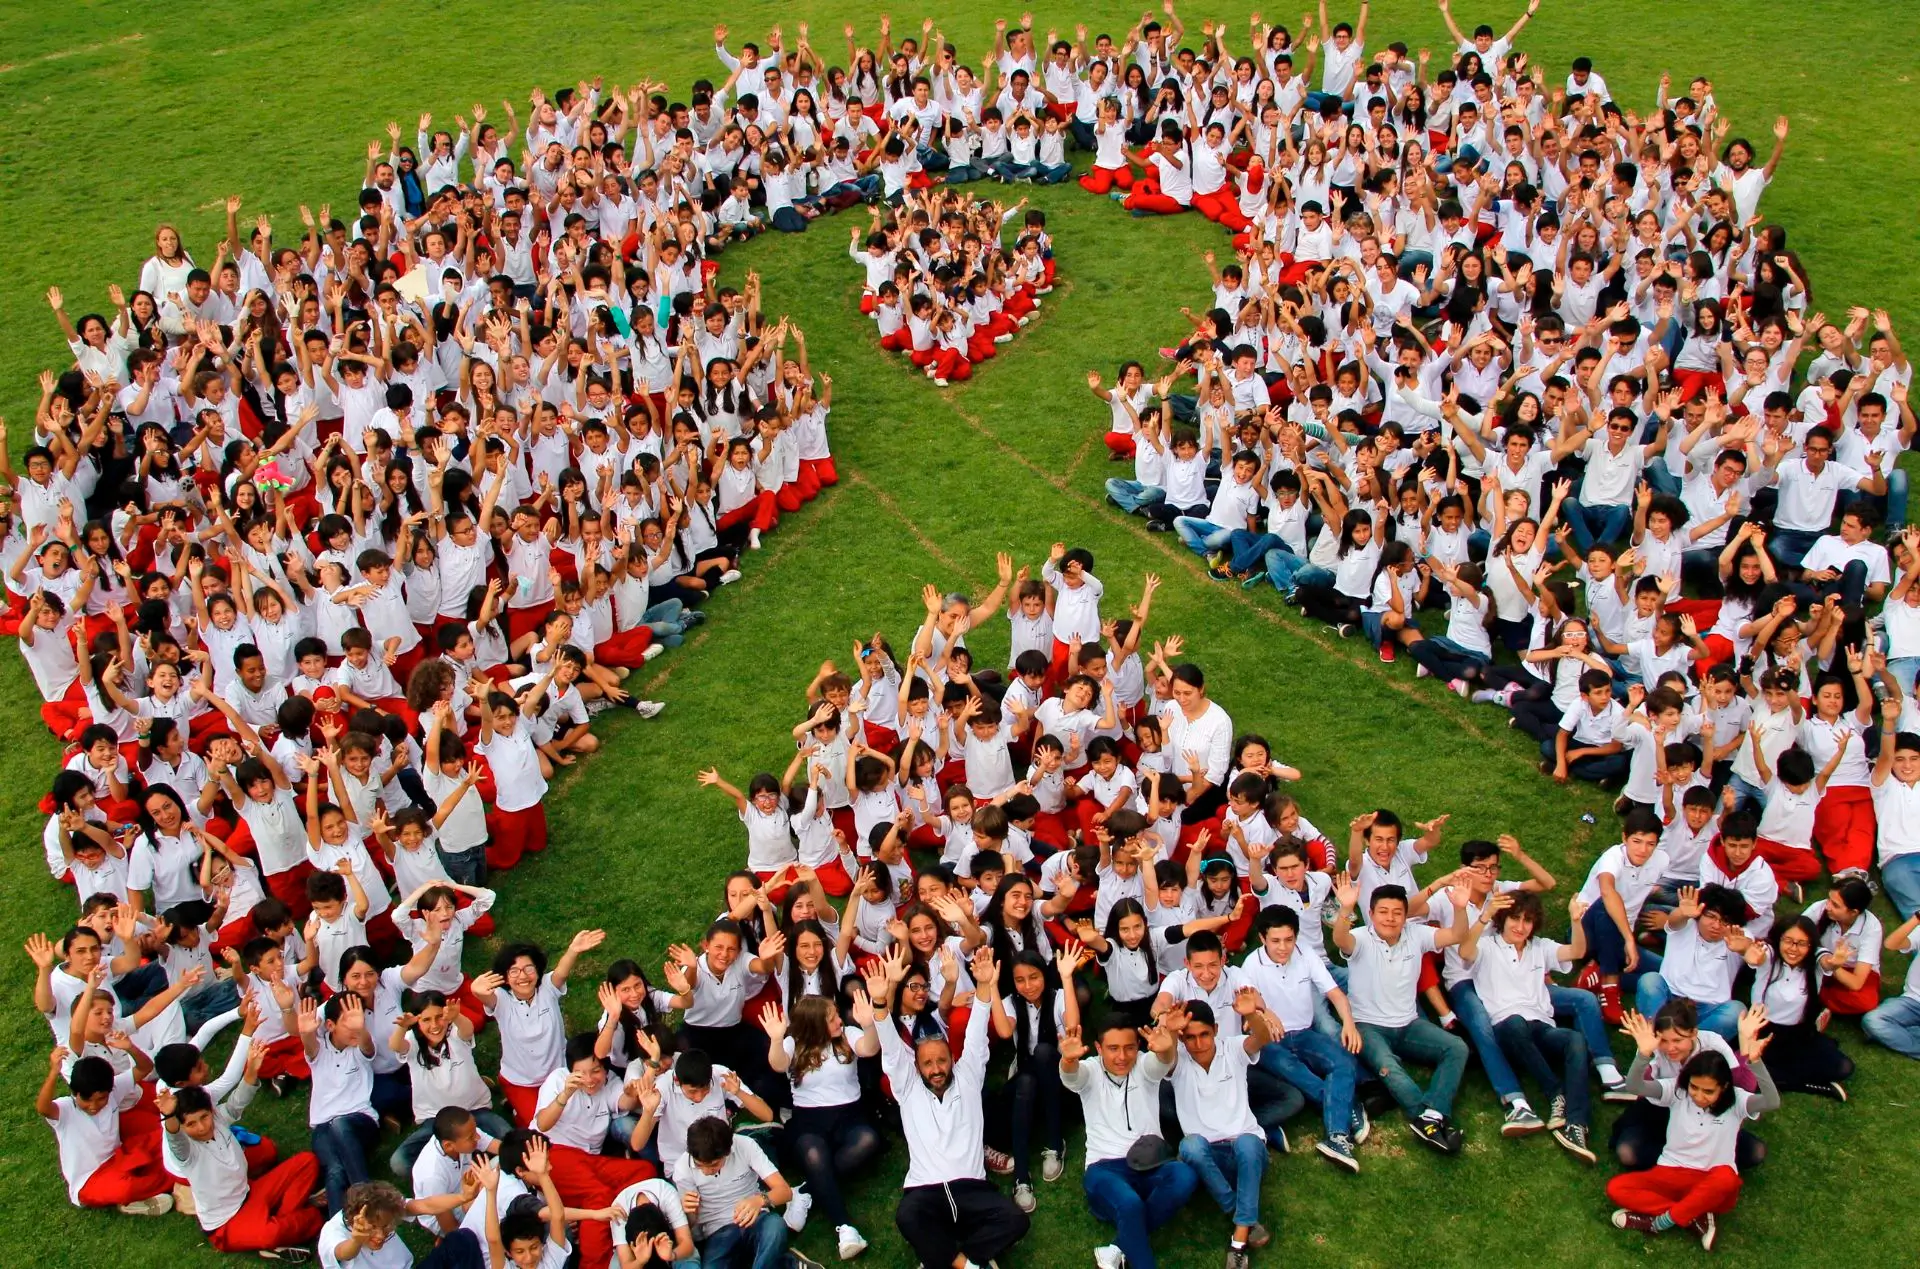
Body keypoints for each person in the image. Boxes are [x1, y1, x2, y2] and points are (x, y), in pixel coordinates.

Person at [1605, 1005, 1781, 1250]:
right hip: (1667, 1157)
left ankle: (1661, 1221)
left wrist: (1754, 1059)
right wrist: (1643, 1053)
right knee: (1618, 1184)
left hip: (1710, 1171)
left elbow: (1768, 1099)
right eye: (1694, 1088)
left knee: (1728, 1178)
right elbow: (1636, 1086)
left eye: (1708, 1091)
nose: (1699, 1095)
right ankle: (1693, 1214)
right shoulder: (1677, 1091)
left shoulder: (1734, 1094)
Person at [1330, 874, 1474, 1154]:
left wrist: (1459, 908)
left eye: (1397, 912)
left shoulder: (1416, 935)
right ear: (1370, 914)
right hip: (1368, 1027)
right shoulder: (1359, 938)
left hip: (1409, 1024)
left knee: (1457, 1048)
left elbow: (1457, 935)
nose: (1390, 918)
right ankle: (1426, 1119)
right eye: (1382, 912)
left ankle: (1433, 1115)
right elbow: (1340, 939)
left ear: (1407, 916)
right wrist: (1346, 909)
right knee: (1390, 1067)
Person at [1060, 1014, 1199, 1269]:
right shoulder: (1090, 1069)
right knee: (1130, 1204)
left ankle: (1119, 1246)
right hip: (1104, 1169)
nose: (1122, 1057)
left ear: (1138, 1046)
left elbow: (1161, 1064)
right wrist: (1069, 1060)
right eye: (1113, 1049)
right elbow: (1072, 1077)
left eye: (1130, 1048)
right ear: (1099, 1048)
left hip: (1151, 1163)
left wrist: (1167, 1050)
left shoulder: (1144, 1065)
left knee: (1184, 1176)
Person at [1157, 996, 1275, 1268]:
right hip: (1206, 1159)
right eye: (1190, 1038)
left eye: (1204, 1035)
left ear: (1216, 1031)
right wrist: (1172, 1032)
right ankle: (1240, 1212)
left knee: (1247, 1142)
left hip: (1246, 1152)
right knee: (1190, 1146)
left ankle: (1238, 1240)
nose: (1198, 1044)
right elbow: (1165, 1056)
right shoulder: (1179, 1059)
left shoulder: (1232, 1048)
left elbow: (1261, 1037)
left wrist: (1253, 1015)